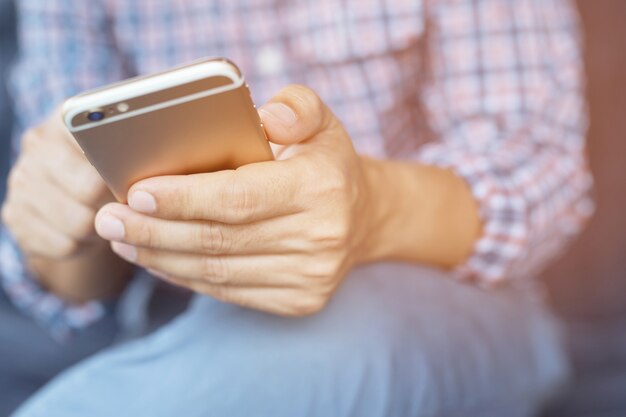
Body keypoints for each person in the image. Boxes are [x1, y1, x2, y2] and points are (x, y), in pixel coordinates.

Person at [1, 0, 592, 416]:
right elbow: (75, 287)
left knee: (327, 348)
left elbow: (539, 174)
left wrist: (369, 210)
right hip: (175, 319)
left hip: (447, 299)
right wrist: (59, 232)